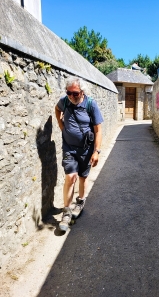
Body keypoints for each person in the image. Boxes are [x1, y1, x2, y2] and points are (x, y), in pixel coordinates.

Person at [55, 77, 103, 231]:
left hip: (86, 149)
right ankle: (67, 212)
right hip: (69, 147)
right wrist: (61, 124)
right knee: (70, 177)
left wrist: (96, 151)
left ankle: (80, 201)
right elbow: (57, 109)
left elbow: (98, 130)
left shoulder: (90, 104)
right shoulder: (65, 101)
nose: (71, 96)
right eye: (68, 93)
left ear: (82, 92)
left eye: (75, 93)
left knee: (83, 177)